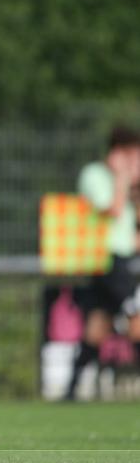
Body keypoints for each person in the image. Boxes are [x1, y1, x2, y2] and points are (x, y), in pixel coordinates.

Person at [66, 126, 140, 400]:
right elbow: (112, 210)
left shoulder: (130, 183)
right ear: (117, 153)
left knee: (96, 327)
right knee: (137, 317)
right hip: (105, 260)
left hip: (122, 259)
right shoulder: (94, 175)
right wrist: (121, 178)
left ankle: (70, 391)